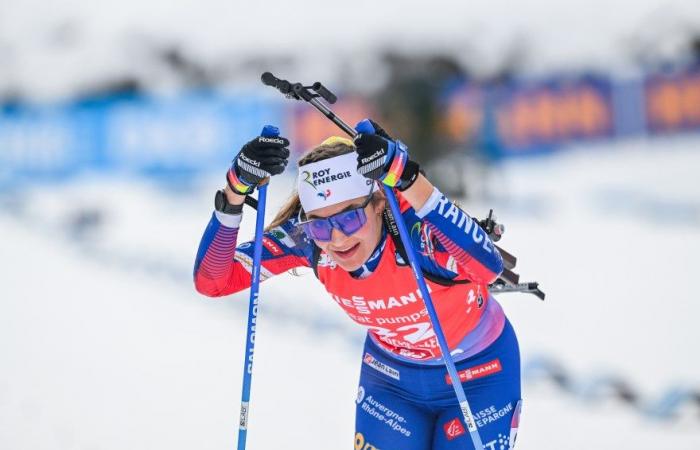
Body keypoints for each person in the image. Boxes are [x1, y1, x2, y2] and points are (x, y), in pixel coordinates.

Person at [193, 120, 522, 450]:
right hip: (391, 383)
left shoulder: (417, 236)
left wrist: (405, 175)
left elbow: (487, 267)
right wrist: (235, 191)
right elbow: (213, 281)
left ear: (378, 203)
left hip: (479, 376)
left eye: (350, 217)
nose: (336, 238)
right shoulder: (305, 239)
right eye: (320, 226)